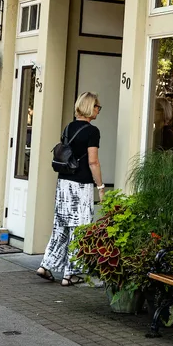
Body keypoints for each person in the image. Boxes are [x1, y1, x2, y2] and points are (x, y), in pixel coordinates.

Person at [37, 92, 106, 286]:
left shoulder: (68, 127)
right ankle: (70, 274)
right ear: (89, 107)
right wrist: (100, 186)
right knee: (80, 228)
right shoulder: (92, 131)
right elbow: (93, 161)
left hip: (63, 183)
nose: (98, 110)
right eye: (97, 107)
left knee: (60, 226)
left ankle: (46, 265)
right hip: (80, 185)